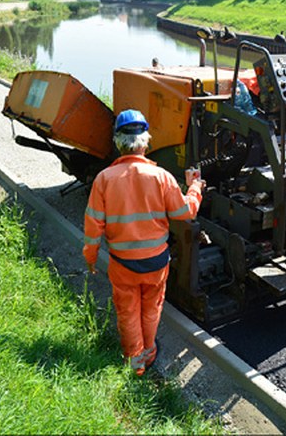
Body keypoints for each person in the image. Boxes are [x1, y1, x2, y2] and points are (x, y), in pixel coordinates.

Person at [82, 109, 205, 376]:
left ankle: (135, 362)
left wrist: (91, 258)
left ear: (118, 142)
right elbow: (185, 213)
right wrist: (194, 188)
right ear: (146, 142)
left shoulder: (104, 179)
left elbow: (93, 227)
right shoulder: (161, 177)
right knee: (151, 309)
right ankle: (148, 352)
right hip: (156, 263)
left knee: (127, 312)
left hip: (123, 264)